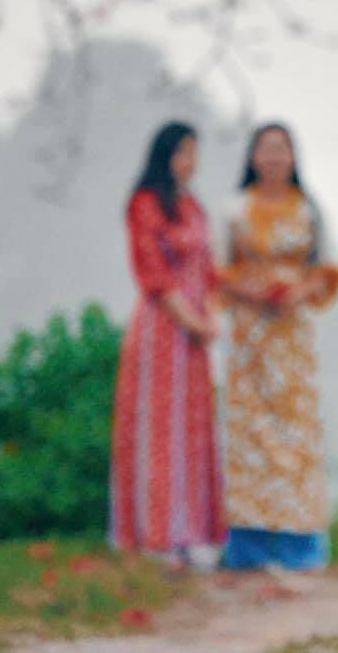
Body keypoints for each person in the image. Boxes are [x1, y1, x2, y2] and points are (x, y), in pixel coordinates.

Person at [217, 122, 338, 571]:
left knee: (296, 431)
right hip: (250, 332)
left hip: (292, 335)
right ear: (253, 157)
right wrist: (250, 291)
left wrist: (298, 291)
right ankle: (248, 543)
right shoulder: (235, 209)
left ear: (294, 157)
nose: (273, 158)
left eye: (282, 150)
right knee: (250, 431)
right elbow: (218, 269)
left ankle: (300, 542)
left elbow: (327, 268)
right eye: (266, 149)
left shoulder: (309, 209)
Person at [110, 121, 226, 562]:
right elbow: (153, 273)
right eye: (181, 153)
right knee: (158, 429)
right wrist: (192, 321)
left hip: (197, 334)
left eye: (194, 153)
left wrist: (211, 318)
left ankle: (191, 534)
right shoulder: (145, 205)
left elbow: (210, 270)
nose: (189, 162)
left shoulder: (194, 207)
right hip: (163, 328)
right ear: (163, 156)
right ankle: (154, 533)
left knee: (193, 431)